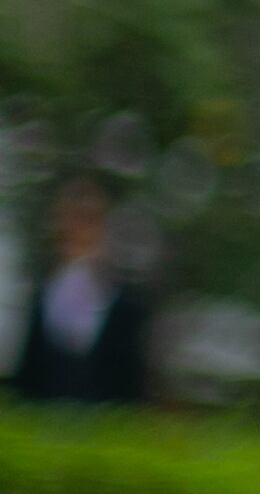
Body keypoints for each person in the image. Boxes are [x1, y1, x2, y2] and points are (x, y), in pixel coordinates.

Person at [12, 172, 157, 408]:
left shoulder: (125, 304)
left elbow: (132, 388)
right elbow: (27, 379)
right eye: (70, 219)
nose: (77, 230)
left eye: (87, 219)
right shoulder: (43, 295)